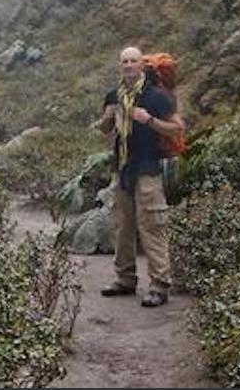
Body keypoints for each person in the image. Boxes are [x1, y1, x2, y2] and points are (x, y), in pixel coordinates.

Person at [97, 46, 185, 307]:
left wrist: (149, 121)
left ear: (141, 65)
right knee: (122, 226)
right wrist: (107, 117)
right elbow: (104, 130)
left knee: (152, 226)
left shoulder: (155, 97)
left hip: (148, 170)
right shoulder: (113, 96)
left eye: (133, 61)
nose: (128, 65)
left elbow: (177, 129)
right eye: (124, 61)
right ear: (119, 65)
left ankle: (159, 285)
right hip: (122, 170)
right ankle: (125, 279)